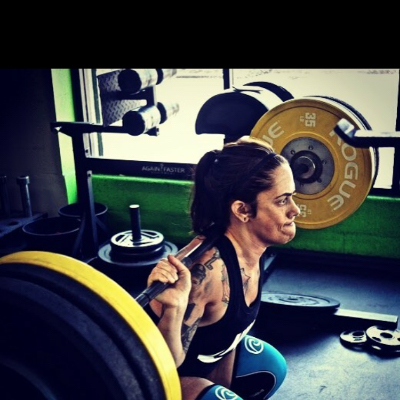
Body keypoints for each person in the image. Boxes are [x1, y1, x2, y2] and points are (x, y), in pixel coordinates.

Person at [145, 136, 300, 400]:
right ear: (242, 210)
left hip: (196, 368)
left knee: (271, 367)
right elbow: (161, 366)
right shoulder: (205, 273)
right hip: (151, 382)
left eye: (292, 197)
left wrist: (225, 392)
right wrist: (174, 309)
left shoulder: (251, 248)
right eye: (282, 201)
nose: (295, 210)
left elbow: (230, 338)